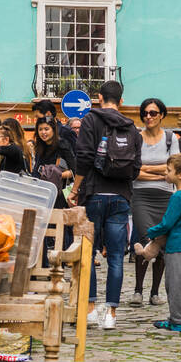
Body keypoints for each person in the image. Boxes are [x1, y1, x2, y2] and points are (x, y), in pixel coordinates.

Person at [72, 80, 142, 330]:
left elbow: (84, 157)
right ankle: (111, 314)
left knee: (88, 254)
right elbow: (135, 169)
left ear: (99, 98)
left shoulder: (91, 119)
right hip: (121, 197)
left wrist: (75, 188)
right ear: (121, 101)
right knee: (115, 257)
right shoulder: (132, 127)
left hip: (93, 194)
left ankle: (90, 310)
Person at [134, 153, 181, 332]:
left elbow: (167, 223)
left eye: (168, 171)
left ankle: (176, 320)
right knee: (179, 284)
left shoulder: (176, 197)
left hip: (176, 246)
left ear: (180, 175)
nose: (165, 174)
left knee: (172, 285)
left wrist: (151, 232)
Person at [130, 97, 177, 306]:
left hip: (166, 196)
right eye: (146, 113)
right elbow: (133, 171)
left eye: (153, 113)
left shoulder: (170, 138)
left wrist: (146, 169)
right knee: (146, 238)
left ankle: (155, 292)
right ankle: (138, 290)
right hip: (141, 196)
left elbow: (174, 168)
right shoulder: (136, 138)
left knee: (162, 241)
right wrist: (160, 171)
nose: (149, 117)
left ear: (161, 115)